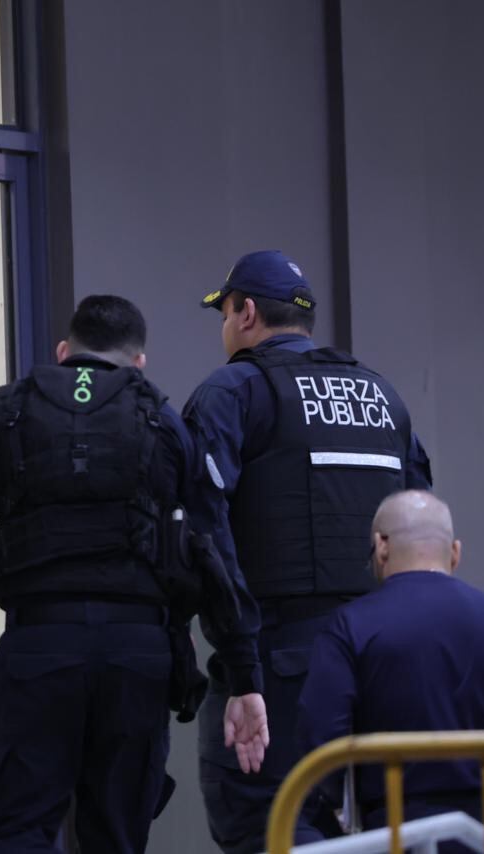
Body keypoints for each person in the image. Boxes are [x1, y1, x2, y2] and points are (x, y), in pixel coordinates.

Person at [0, 296, 269, 853]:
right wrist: (244, 673)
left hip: (37, 650)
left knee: (19, 830)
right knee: (117, 837)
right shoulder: (164, 421)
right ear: (139, 362)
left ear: (62, 352)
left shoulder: (7, 415)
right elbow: (213, 546)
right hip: (138, 655)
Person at [185, 250, 433, 852]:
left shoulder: (233, 391)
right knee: (378, 829)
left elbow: (201, 531)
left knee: (264, 821)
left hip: (278, 661)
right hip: (385, 661)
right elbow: (420, 516)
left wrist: (241, 664)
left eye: (224, 312)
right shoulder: (381, 397)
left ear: (244, 312)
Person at [298, 490, 484, 853]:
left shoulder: (349, 627)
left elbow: (321, 740)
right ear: (455, 552)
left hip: (399, 832)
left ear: (381, 546)